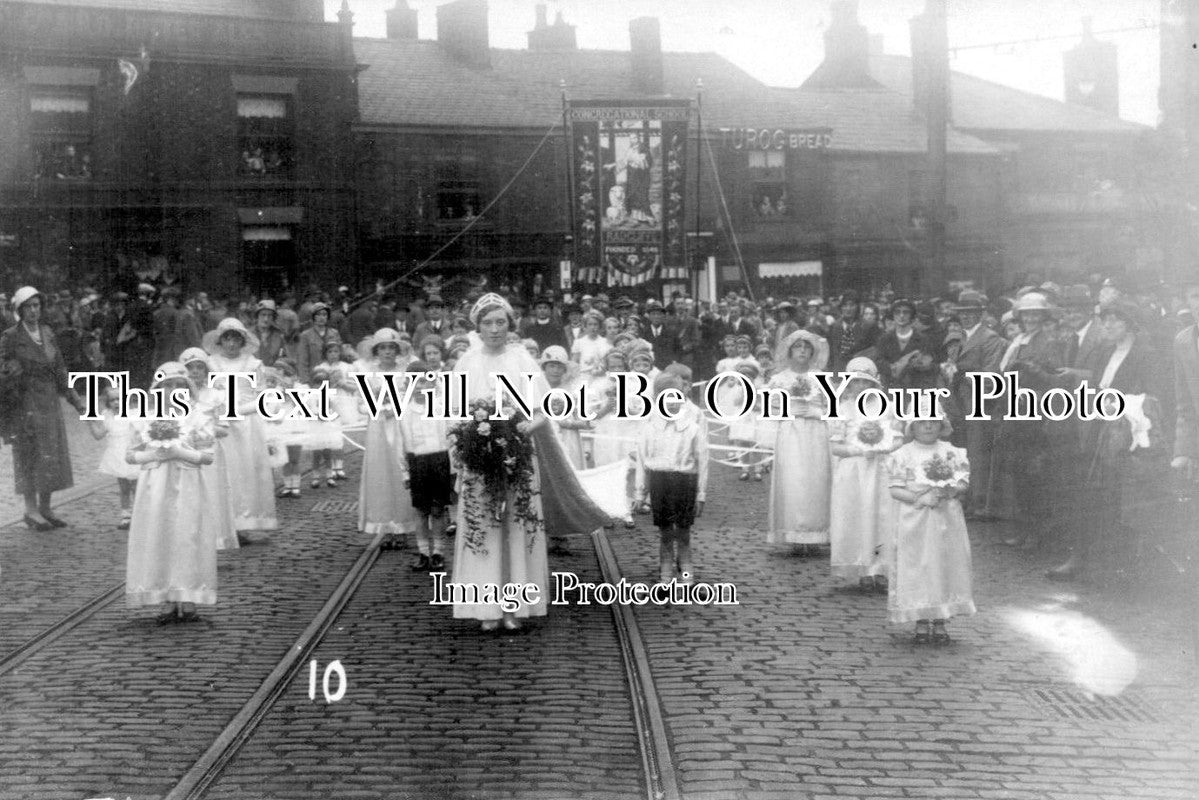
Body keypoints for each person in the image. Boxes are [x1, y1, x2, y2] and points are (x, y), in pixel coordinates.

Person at [1049, 300, 1162, 580]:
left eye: (1116, 320)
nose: (1108, 325)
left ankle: (1125, 568)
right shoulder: (1103, 352)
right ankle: (1080, 558)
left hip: (1129, 436)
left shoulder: (1146, 354)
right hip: (1099, 433)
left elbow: (1152, 398)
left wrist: (1122, 406)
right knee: (1088, 493)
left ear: (1130, 324)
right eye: (1105, 320)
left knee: (1123, 500)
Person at [124, 362, 218, 624]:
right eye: (168, 386)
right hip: (155, 486)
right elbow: (130, 455)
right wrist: (153, 454)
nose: (174, 391)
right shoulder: (145, 418)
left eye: (180, 386)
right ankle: (164, 598)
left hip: (188, 482)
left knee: (186, 536)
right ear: (158, 390)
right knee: (159, 535)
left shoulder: (197, 417)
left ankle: (187, 596)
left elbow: (208, 456)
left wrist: (180, 452)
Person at [0, 286, 87, 530]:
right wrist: (11, 370)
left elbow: (59, 368)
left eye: (37, 306)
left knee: (51, 452)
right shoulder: (11, 336)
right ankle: (30, 509)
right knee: (29, 453)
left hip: (48, 400)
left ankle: (46, 507)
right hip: (24, 401)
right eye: (28, 307)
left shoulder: (47, 332)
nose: (34, 311)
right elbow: (2, 365)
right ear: (20, 309)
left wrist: (75, 400)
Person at [887, 418, 974, 645]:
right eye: (921, 423)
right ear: (912, 427)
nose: (927, 427)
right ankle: (921, 618)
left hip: (945, 517)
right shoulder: (903, 454)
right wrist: (919, 497)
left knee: (944, 564)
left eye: (933, 422)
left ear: (942, 426)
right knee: (919, 565)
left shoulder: (951, 452)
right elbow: (895, 489)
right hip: (915, 519)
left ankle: (941, 619)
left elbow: (963, 482)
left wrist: (949, 490)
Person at [827, 358, 902, 591]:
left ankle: (881, 569)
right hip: (854, 471)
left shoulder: (887, 407)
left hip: (880, 469)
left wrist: (882, 448)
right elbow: (836, 446)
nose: (859, 386)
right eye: (854, 382)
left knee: (882, 517)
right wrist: (858, 450)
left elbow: (898, 439)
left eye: (864, 382)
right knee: (856, 516)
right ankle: (862, 568)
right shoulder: (842, 409)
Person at [203, 317, 278, 541]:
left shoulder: (253, 364)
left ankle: (245, 522)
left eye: (236, 339)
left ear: (242, 341)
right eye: (227, 339)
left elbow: (263, 396)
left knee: (246, 471)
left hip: (246, 425)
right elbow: (203, 392)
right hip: (219, 424)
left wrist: (241, 410)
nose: (231, 344)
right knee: (223, 472)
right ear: (220, 341)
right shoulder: (211, 364)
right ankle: (222, 523)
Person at [636, 369, 709, 584]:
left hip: (685, 483)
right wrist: (640, 493)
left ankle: (687, 577)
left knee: (684, 534)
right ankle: (665, 577)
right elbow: (642, 460)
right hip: (660, 483)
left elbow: (703, 461)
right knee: (666, 534)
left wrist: (701, 494)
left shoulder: (693, 428)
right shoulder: (650, 427)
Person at [940, 290, 1007, 519]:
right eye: (963, 313)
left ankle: (978, 503)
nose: (967, 317)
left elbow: (991, 375)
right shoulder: (957, 338)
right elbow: (952, 365)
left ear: (980, 314)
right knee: (961, 450)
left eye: (972, 313)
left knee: (977, 453)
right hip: (957, 402)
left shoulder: (989, 338)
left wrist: (963, 374)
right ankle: (964, 498)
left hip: (976, 402)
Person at [766, 329, 831, 553]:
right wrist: (790, 410)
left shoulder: (821, 377)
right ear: (790, 351)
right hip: (790, 433)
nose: (802, 351)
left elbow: (832, 410)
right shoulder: (779, 379)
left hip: (815, 433)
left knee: (815, 480)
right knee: (793, 480)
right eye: (798, 347)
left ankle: (815, 535)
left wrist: (814, 412)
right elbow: (770, 410)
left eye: (806, 347)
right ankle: (793, 533)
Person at [356, 328, 418, 547]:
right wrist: (377, 406)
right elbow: (361, 405)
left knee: (401, 472)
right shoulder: (368, 374)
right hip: (378, 429)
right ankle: (384, 526)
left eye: (391, 348)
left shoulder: (405, 373)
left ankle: (402, 526)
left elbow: (413, 399)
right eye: (382, 348)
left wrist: (396, 406)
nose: (387, 352)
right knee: (380, 474)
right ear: (376, 351)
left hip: (400, 426)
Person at [181, 347, 239, 552]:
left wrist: (201, 428)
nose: (195, 372)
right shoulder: (175, 396)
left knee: (211, 493)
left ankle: (213, 539)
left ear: (207, 372)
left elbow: (224, 429)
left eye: (199, 368)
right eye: (190, 368)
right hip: (183, 453)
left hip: (208, 452)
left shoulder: (217, 395)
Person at [398, 360, 452, 572]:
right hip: (417, 462)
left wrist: (453, 469)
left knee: (438, 509)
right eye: (415, 383)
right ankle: (423, 553)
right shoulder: (405, 410)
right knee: (421, 510)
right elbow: (401, 444)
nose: (420, 387)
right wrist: (405, 472)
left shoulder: (440, 406)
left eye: (424, 382)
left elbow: (450, 436)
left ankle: (438, 552)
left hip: (439, 460)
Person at [88, 385, 142, 530]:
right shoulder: (107, 415)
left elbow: (140, 432)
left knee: (137, 488)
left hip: (131, 454)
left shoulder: (133, 413)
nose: (117, 402)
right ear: (108, 402)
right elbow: (98, 435)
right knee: (124, 487)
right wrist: (90, 421)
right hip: (117, 456)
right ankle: (125, 516)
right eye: (112, 400)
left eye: (119, 399)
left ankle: (140, 516)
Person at [295, 302, 341, 384]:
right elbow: (302, 360)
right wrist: (305, 380)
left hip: (334, 377)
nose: (321, 318)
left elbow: (340, 355)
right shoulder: (306, 335)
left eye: (324, 315)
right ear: (313, 317)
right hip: (313, 378)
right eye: (318, 315)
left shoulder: (334, 333)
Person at [570, 310, 611, 377]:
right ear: (585, 326)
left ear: (599, 326)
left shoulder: (606, 342)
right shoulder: (579, 342)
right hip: (584, 376)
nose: (593, 327)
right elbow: (574, 363)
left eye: (595, 324)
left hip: (602, 377)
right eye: (590, 324)